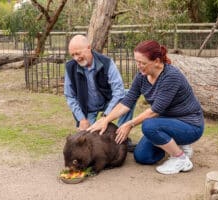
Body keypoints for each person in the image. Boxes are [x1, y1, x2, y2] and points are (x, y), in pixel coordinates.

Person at [87, 40, 204, 175]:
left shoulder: (171, 77)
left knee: (148, 125)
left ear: (157, 61)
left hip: (190, 125)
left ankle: (180, 158)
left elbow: (155, 111)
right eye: (137, 62)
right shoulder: (141, 77)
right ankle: (176, 144)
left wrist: (129, 124)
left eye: (143, 63)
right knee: (142, 156)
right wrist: (106, 119)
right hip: (166, 123)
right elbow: (127, 102)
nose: (139, 66)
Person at [64, 35, 136, 151]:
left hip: (107, 102)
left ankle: (122, 136)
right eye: (72, 55)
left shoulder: (107, 62)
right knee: (87, 141)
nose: (76, 58)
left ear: (88, 47)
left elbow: (118, 91)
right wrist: (81, 119)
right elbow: (70, 96)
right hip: (87, 108)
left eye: (78, 53)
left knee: (127, 95)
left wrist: (105, 117)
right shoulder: (69, 67)